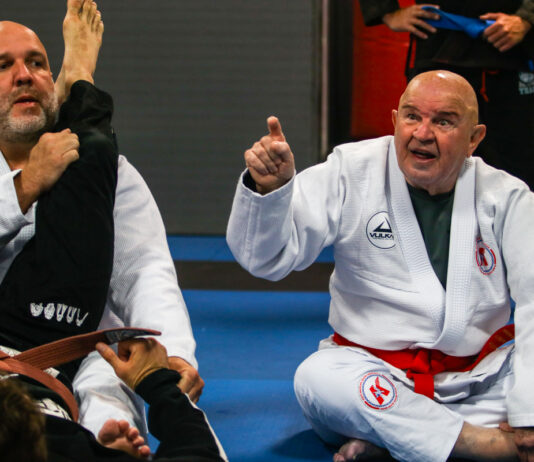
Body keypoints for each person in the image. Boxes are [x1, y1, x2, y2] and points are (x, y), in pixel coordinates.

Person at [226, 70, 534, 461]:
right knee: (318, 379)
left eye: (443, 121)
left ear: (474, 138)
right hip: (374, 374)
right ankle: (479, 444)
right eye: (412, 116)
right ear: (394, 121)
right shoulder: (351, 169)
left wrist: (527, 410)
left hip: (479, 379)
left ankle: (391, 440)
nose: (422, 133)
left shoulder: (507, 196)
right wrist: (271, 191)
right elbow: (266, 259)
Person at [0, 0, 203, 451]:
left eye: (37, 63)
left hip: (81, 339)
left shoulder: (110, 171)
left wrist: (173, 353)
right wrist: (24, 186)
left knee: (109, 389)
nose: (24, 75)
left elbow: (144, 268)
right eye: (3, 66)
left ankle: (110, 442)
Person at [358, 0, 534, 189]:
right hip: (438, 47)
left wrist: (527, 17)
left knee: (517, 167)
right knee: (427, 163)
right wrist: (386, 13)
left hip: (510, 52)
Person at [0, 337, 227, 462]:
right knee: (106, 359)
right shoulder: (58, 444)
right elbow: (201, 454)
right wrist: (155, 380)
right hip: (44, 410)